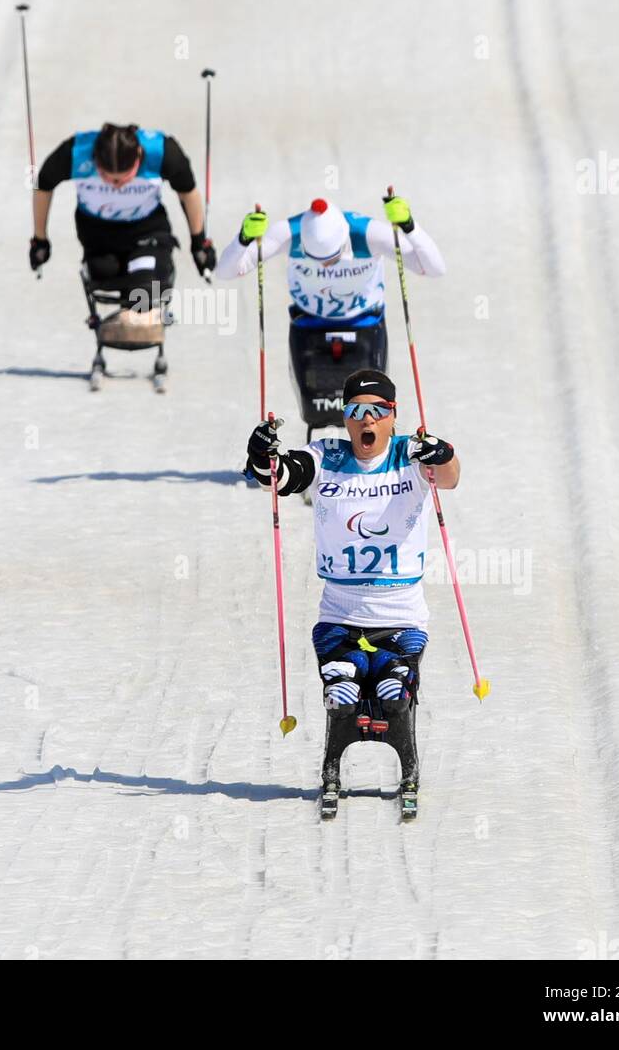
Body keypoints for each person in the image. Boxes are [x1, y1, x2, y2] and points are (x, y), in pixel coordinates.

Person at [244, 368, 460, 818]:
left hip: (401, 618)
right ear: (344, 417)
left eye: (376, 412)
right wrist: (262, 457)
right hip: (340, 615)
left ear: (392, 416)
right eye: (356, 411)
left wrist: (443, 452)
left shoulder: (409, 455)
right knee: (342, 688)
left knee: (393, 692)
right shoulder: (327, 456)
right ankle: (333, 761)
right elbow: (282, 476)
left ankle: (406, 760)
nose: (366, 421)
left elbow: (450, 475)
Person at [216, 194, 444, 432]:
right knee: (315, 410)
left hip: (364, 322)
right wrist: (244, 239)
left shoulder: (368, 234)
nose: (326, 266)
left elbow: (433, 268)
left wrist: (409, 227)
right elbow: (226, 272)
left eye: (333, 258)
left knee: (371, 408)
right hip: (310, 324)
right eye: (316, 259)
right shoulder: (288, 232)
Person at [32, 123, 216, 322]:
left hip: (147, 231)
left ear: (138, 157)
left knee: (145, 288)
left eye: (123, 178)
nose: (116, 185)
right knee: (104, 275)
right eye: (108, 178)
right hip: (98, 234)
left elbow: (188, 192)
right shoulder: (75, 152)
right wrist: (40, 239)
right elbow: (43, 186)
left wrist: (199, 242)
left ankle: (140, 317)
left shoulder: (162, 152)